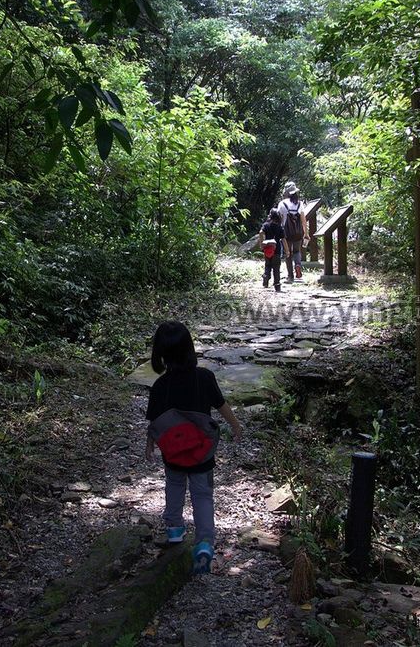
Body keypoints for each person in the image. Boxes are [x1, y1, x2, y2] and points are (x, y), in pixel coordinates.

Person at [145, 321, 242, 574]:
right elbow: (221, 405)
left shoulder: (160, 386)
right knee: (202, 495)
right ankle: (205, 543)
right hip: (202, 452)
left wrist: (150, 446)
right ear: (190, 348)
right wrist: (235, 426)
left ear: (160, 354)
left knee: (175, 486)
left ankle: (175, 530)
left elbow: (154, 422)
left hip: (173, 451)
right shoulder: (205, 378)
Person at [276, 181, 308, 282]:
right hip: (298, 232)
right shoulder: (300, 203)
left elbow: (279, 219)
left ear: (286, 192)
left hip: (286, 232)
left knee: (288, 252)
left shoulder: (282, 204)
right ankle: (298, 265)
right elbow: (303, 220)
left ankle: (290, 276)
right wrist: (306, 233)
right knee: (297, 251)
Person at [259, 209, 285, 292]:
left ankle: (266, 277)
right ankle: (277, 285)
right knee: (276, 268)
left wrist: (262, 243)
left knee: (267, 265)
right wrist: (287, 251)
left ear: (270, 216)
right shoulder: (279, 227)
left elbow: (260, 232)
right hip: (276, 250)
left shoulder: (266, 225)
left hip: (267, 249)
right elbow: (283, 239)